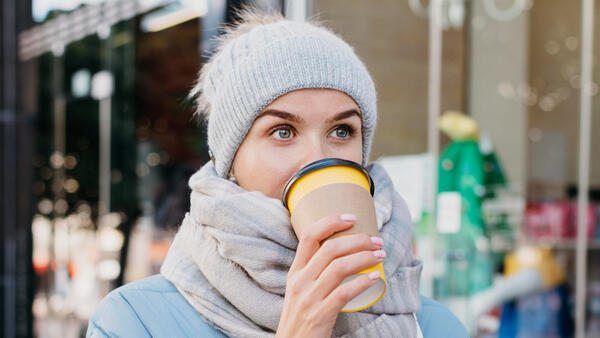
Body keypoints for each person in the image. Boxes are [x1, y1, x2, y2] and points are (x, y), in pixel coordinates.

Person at [87, 9, 468, 338]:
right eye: (282, 132)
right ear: (229, 160)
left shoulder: (433, 326)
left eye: (342, 131)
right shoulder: (136, 321)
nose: (316, 158)